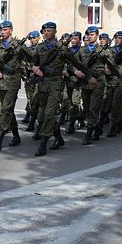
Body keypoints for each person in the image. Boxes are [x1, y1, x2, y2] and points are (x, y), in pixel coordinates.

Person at [30, 22, 88, 156]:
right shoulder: (40, 47)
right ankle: (59, 138)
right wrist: (34, 68)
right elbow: (33, 62)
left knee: (50, 114)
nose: (45, 33)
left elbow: (74, 63)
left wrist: (87, 75)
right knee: (42, 116)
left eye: (49, 31)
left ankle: (43, 143)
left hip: (56, 85)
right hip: (43, 84)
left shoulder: (62, 49)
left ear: (55, 32)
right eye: (44, 31)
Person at [0, 20, 33, 151]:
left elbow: (33, 58)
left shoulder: (18, 45)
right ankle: (16, 136)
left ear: (11, 30)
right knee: (6, 109)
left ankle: (0, 138)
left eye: (5, 30)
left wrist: (33, 69)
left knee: (6, 109)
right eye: (1, 30)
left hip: (12, 82)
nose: (2, 32)